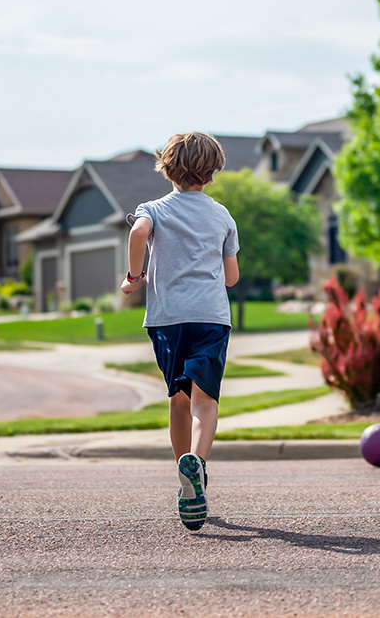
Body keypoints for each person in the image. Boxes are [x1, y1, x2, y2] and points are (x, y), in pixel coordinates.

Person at [120, 131, 240, 531]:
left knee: (178, 399)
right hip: (210, 317)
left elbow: (138, 233)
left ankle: (182, 475)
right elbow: (232, 277)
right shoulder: (222, 215)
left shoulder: (153, 208)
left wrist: (134, 277)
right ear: (212, 173)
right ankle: (198, 465)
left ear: (166, 167)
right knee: (205, 402)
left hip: (167, 319)